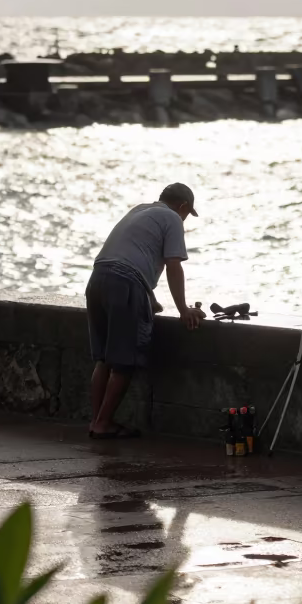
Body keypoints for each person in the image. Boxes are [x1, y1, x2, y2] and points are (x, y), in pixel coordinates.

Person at [86, 183, 206, 439]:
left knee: (104, 360)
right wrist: (183, 310)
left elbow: (129, 256)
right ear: (183, 207)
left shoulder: (139, 210)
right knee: (124, 360)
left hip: (97, 279)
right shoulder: (173, 218)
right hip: (125, 283)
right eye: (187, 214)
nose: (184, 219)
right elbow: (174, 266)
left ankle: (96, 420)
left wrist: (147, 297)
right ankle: (103, 423)